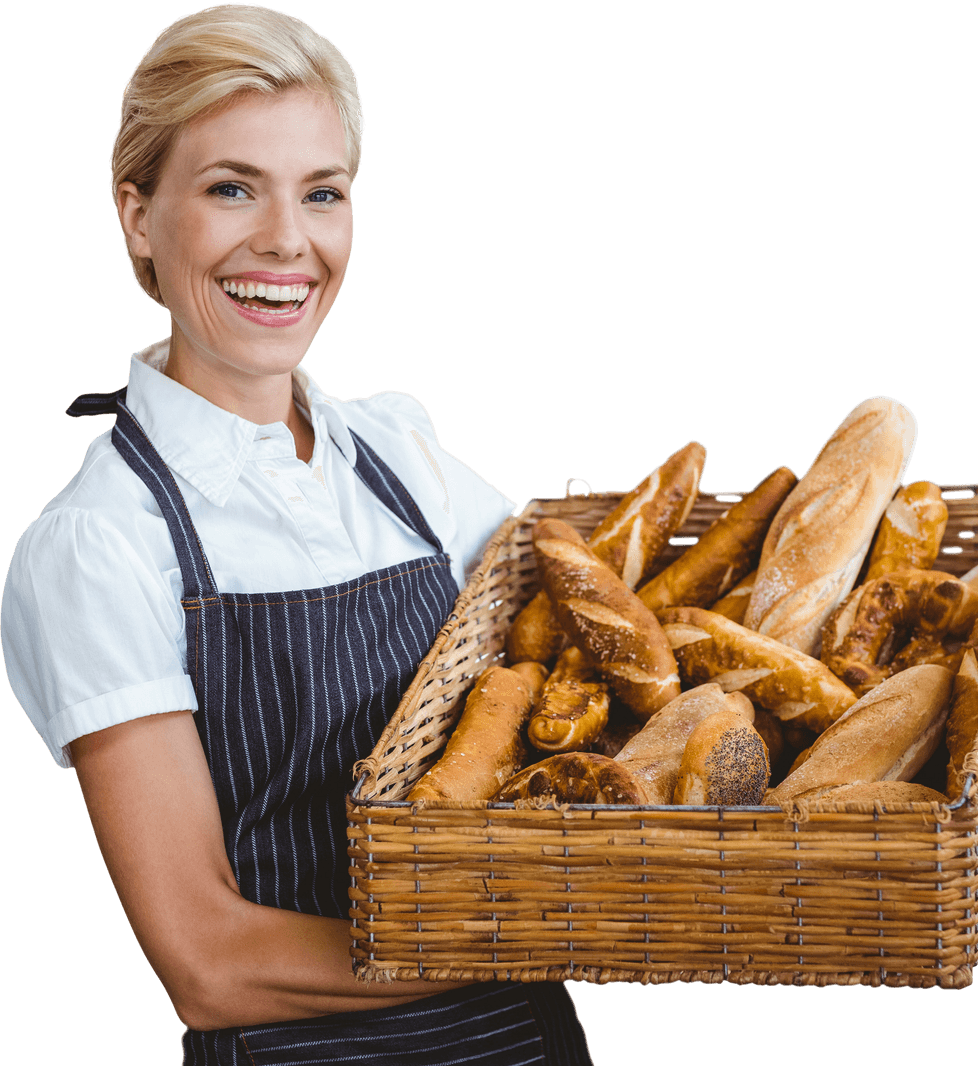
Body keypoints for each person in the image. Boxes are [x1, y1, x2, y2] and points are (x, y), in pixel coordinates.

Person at [0, 5, 594, 1064]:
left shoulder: (398, 450)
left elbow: (592, 625)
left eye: (322, 192)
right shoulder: (102, 545)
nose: (288, 240)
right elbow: (210, 962)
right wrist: (538, 926)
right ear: (137, 215)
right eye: (233, 187)